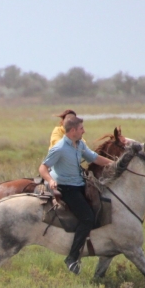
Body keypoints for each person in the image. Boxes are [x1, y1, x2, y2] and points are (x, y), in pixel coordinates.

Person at [39, 115, 113, 274]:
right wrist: (51, 181)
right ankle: (72, 258)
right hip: (67, 188)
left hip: (79, 184)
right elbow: (43, 168)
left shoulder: (79, 145)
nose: (84, 131)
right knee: (87, 218)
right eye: (81, 128)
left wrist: (115, 165)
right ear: (73, 131)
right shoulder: (59, 148)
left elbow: (94, 158)